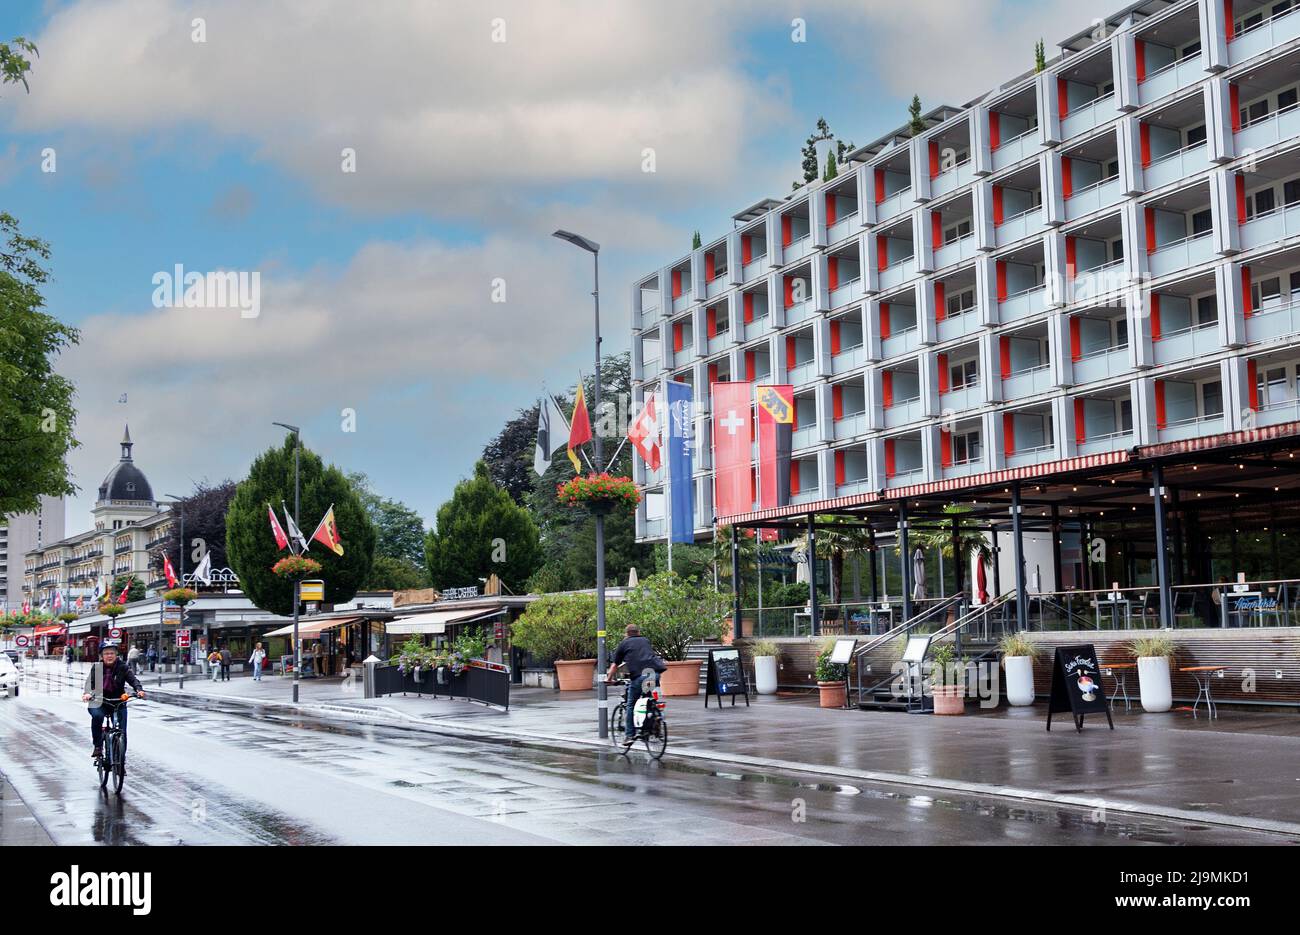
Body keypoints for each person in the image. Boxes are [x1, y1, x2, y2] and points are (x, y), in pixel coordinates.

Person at [81, 643, 145, 766]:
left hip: (118, 702)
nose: (109, 656)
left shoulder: (122, 667)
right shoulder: (97, 667)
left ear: (116, 655)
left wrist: (139, 690)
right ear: (101, 656)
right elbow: (90, 683)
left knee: (122, 731)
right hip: (99, 701)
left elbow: (133, 679)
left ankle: (121, 762)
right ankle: (98, 746)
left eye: (112, 653)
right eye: (106, 653)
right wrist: (87, 693)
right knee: (98, 717)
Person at [605, 624, 666, 747]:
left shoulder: (624, 644)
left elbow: (615, 665)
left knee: (631, 704)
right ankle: (654, 720)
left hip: (639, 676)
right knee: (648, 699)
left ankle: (629, 735)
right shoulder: (645, 640)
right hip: (653, 673)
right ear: (638, 632)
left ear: (626, 634)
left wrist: (609, 679)